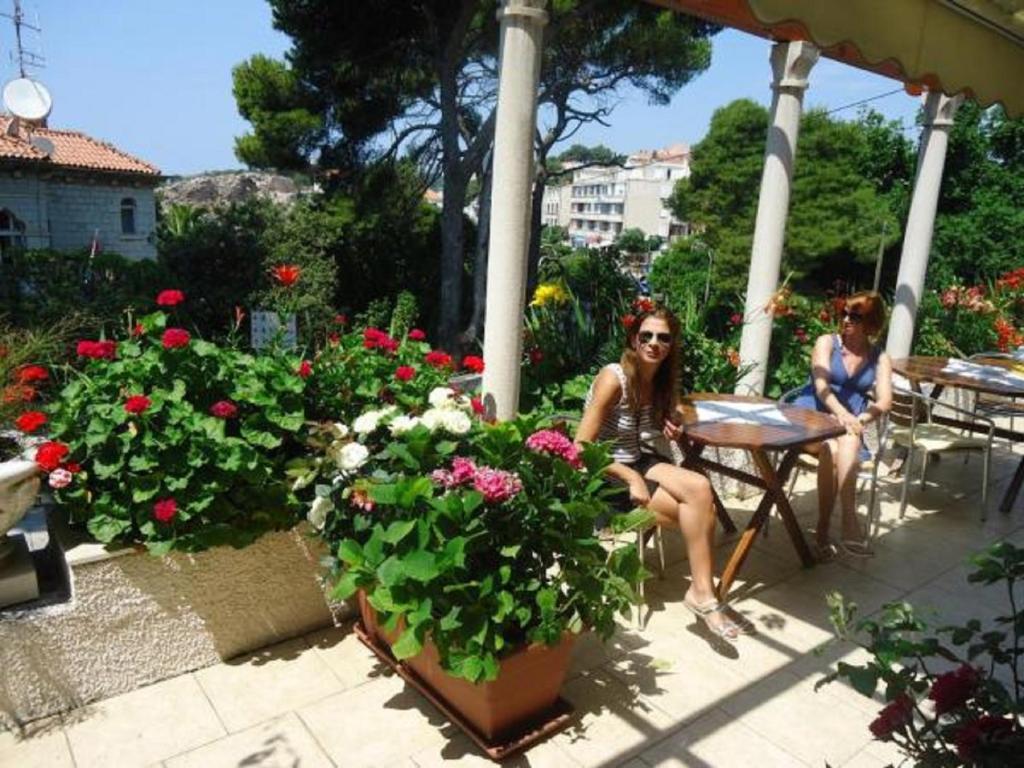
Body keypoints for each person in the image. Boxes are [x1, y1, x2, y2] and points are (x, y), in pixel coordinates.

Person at [575, 305, 739, 640]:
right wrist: (631, 477)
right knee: (700, 510)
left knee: (699, 488)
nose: (653, 343)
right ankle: (705, 596)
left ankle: (701, 592)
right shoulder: (613, 378)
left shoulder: (662, 380)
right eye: (646, 336)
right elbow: (580, 448)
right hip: (606, 476)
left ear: (671, 345)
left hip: (642, 460)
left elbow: (674, 410)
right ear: (633, 339)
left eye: (663, 338)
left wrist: (674, 419)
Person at [791, 291, 892, 559]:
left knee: (837, 447)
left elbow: (884, 401)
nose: (846, 319)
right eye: (844, 313)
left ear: (871, 322)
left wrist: (861, 418)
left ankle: (835, 524)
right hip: (812, 415)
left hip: (848, 427)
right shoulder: (827, 343)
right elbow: (821, 385)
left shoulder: (879, 357)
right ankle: (844, 525)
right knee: (833, 442)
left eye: (855, 316)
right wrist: (842, 414)